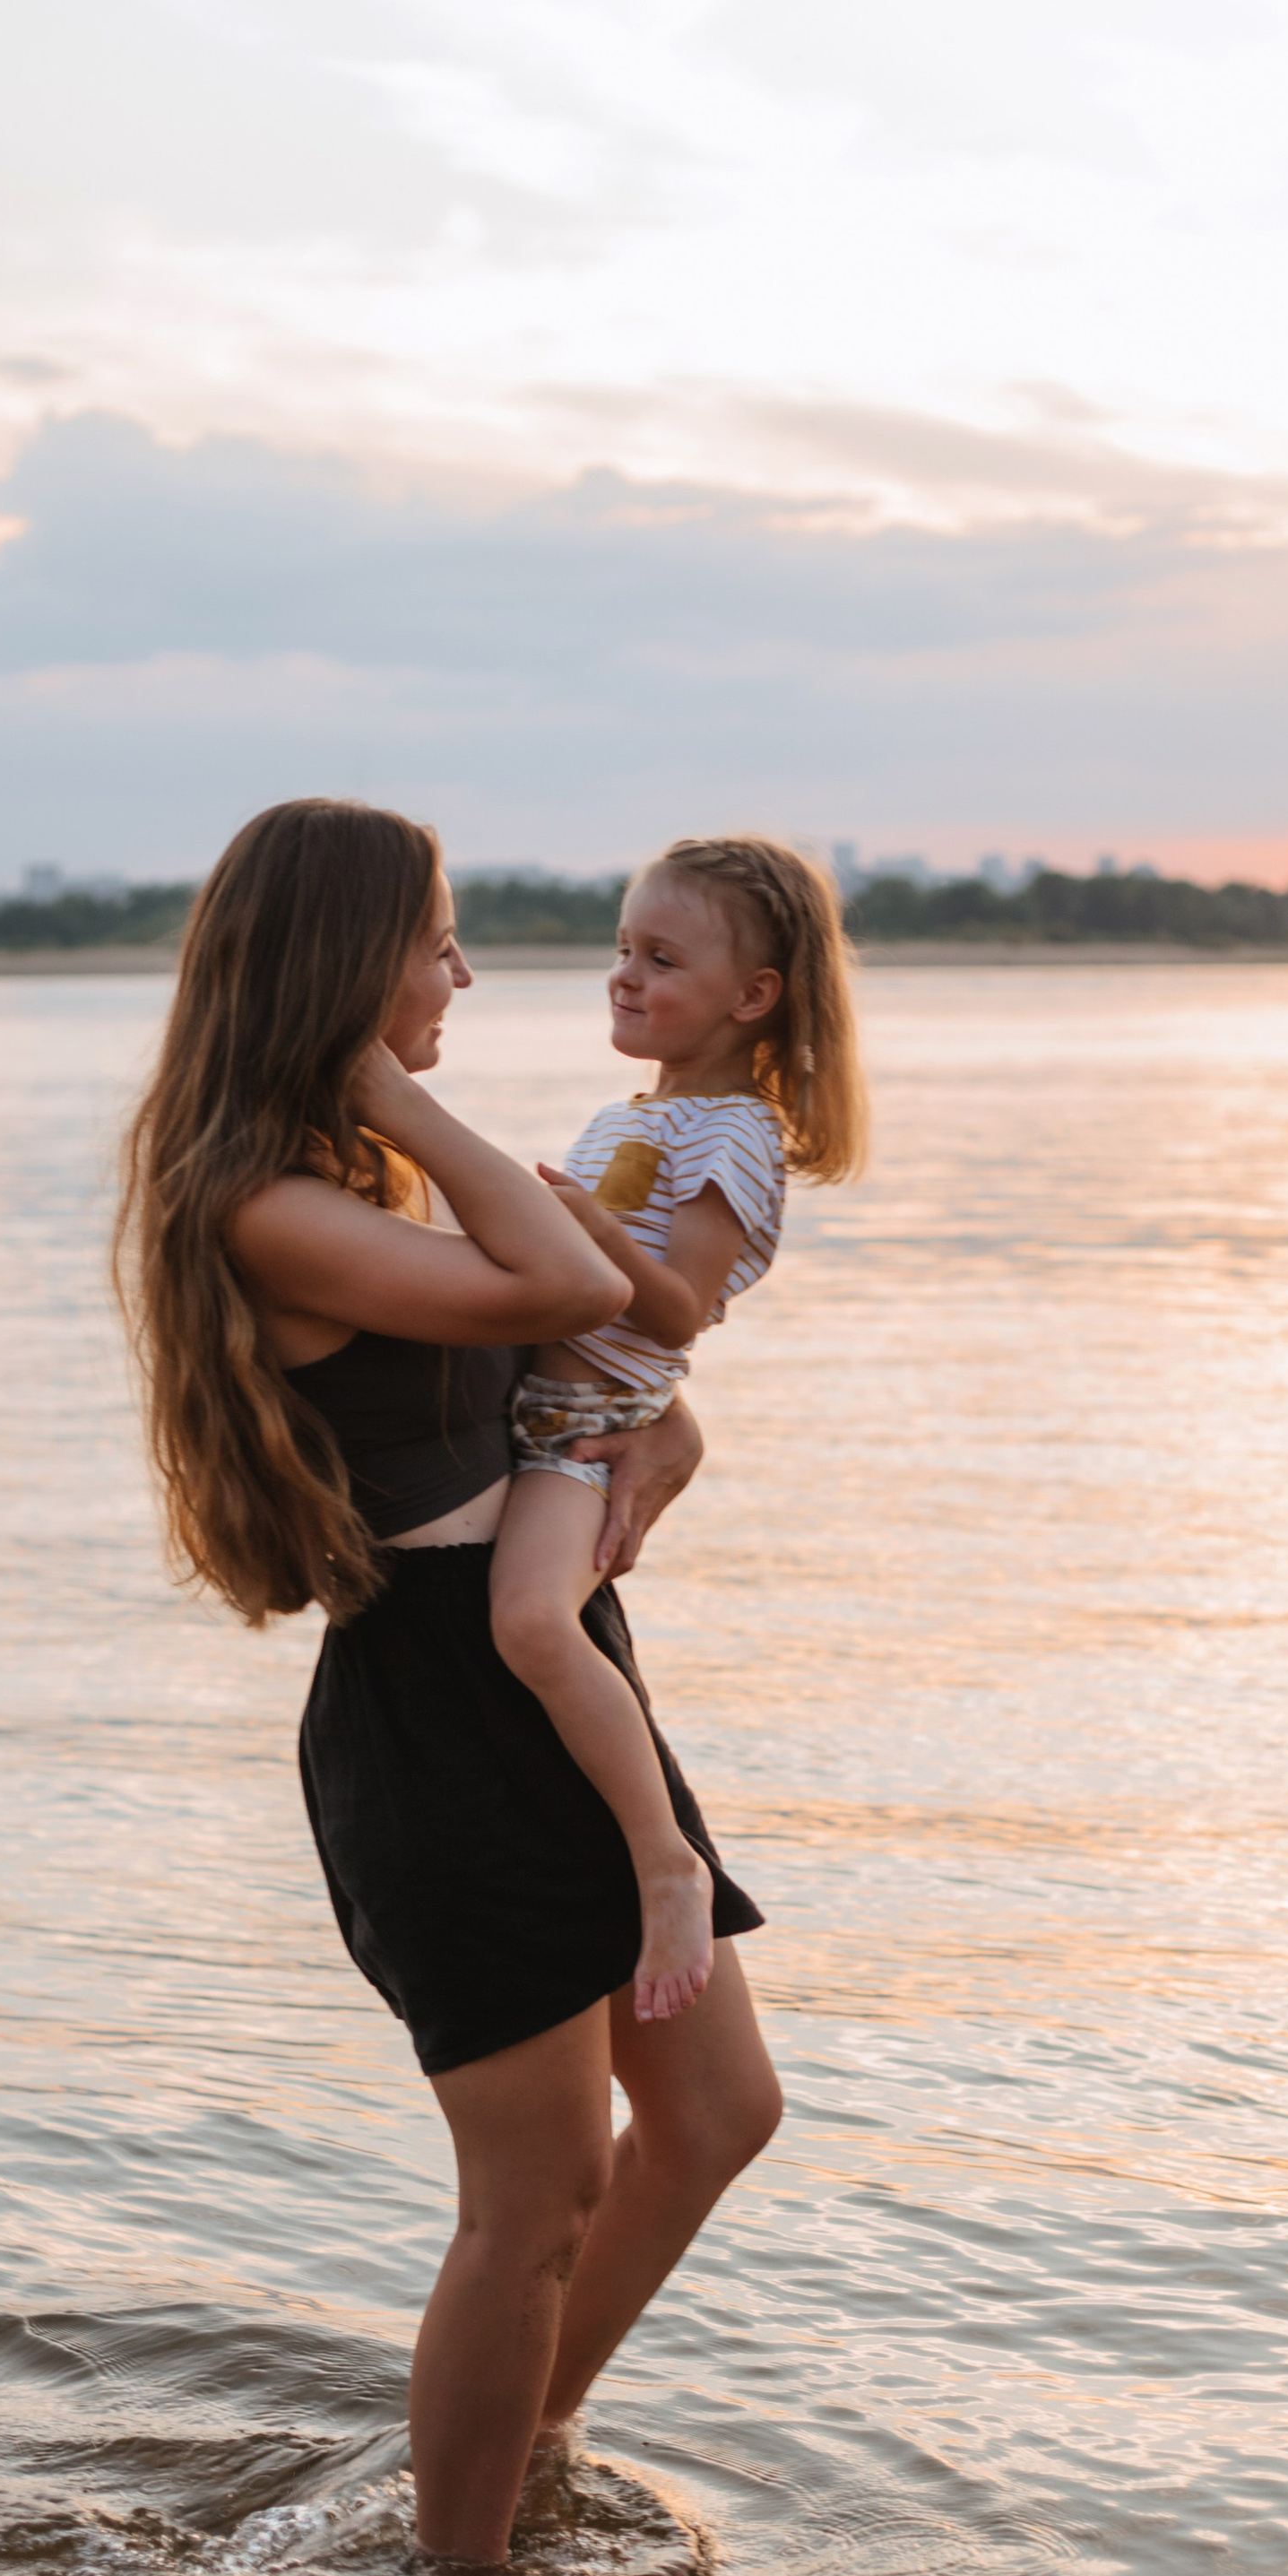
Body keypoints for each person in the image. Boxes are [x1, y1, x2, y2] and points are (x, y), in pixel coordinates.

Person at [116, 798, 783, 2566]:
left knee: (716, 2114)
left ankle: (511, 2444)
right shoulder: (272, 1207)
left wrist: (674, 1443)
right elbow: (568, 1277)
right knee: (539, 2193)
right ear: (345, 976)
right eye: (434, 944)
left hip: (553, 1667)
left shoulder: (360, 1187)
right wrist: (392, 1090)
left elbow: (592, 1355)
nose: (464, 975)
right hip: (433, 1705)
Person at [488, 838, 869, 2028]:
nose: (624, 977)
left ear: (752, 998)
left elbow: (679, 1307)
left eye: (660, 959)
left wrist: (573, 1231)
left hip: (584, 1423)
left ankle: (664, 1858)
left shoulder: (736, 1136)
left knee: (534, 1623)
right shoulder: (631, 1115)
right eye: (620, 951)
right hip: (538, 1400)